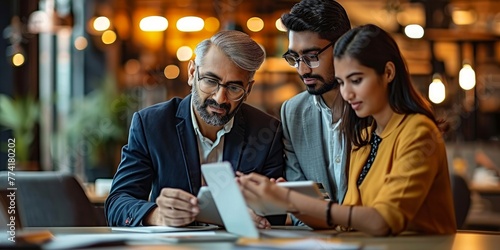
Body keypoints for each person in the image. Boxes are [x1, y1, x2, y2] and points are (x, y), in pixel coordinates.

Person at [239, 24, 456, 236]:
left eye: (356, 80)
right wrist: (278, 196)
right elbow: (343, 218)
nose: (347, 93)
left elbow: (384, 220)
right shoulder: (365, 136)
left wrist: (291, 200)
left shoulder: (418, 132)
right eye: (342, 83)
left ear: (388, 72)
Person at [105, 30, 284, 227]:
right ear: (192, 73)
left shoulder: (267, 131)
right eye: (210, 81)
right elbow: (118, 203)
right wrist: (157, 215)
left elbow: (275, 215)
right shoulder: (151, 124)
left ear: (248, 89)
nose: (219, 98)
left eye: (234, 88)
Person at [280, 0, 351, 206]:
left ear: (343, 47)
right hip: (316, 235)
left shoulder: (374, 107)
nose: (303, 71)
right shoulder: (292, 112)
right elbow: (300, 205)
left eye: (312, 57)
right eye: (294, 57)